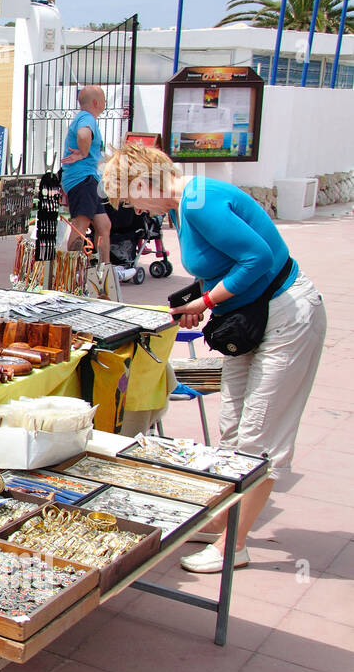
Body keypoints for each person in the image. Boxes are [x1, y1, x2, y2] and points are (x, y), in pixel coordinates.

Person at [101, 142, 327, 574]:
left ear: (145, 181)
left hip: (285, 317)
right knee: (234, 427)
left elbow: (257, 258)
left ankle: (233, 547)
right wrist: (202, 299)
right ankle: (226, 520)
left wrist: (205, 300)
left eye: (130, 198)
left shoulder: (197, 200)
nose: (133, 209)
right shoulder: (187, 203)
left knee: (259, 436)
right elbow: (225, 262)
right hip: (256, 319)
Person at [61, 85, 110, 264]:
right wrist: (83, 152)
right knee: (81, 225)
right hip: (82, 179)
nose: (105, 103)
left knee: (104, 225)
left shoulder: (85, 117)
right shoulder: (86, 117)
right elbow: (83, 134)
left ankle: (104, 268)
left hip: (88, 179)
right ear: (96, 102)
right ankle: (72, 271)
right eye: (104, 99)